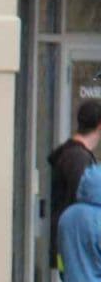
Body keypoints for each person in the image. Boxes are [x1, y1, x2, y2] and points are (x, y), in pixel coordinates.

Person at [48, 98, 101, 268]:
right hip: (75, 249)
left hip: (70, 246)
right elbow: (85, 200)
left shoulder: (72, 155)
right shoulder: (78, 159)